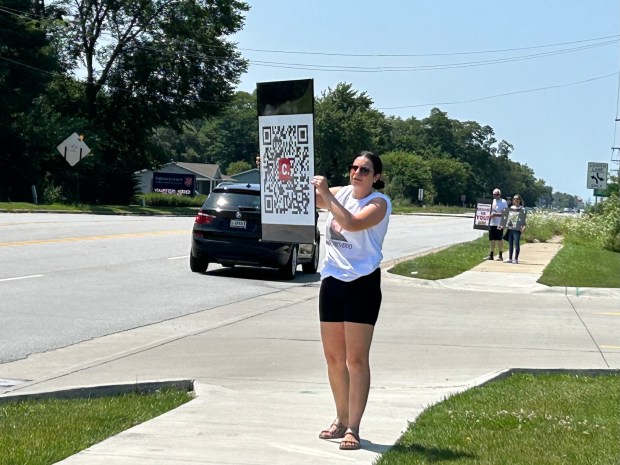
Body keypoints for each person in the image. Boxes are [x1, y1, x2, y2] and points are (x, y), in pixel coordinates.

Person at [311, 151, 391, 451]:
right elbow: (300, 194)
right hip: (332, 281)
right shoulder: (339, 193)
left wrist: (327, 198)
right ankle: (340, 418)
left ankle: (354, 428)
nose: (357, 172)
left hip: (362, 283)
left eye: (365, 169)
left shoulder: (379, 204)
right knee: (333, 358)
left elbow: (353, 223)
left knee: (355, 360)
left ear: (376, 177)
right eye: (354, 167)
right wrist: (273, 169)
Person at [485, 188, 508, 261]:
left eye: (497, 194)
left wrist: (495, 214)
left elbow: (505, 213)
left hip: (499, 223)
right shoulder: (492, 201)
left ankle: (500, 256)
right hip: (492, 223)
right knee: (492, 239)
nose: (495, 196)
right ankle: (491, 255)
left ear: (500, 194)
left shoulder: (503, 202)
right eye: (494, 194)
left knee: (499, 239)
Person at [504, 194, 527, 264]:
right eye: (514, 199)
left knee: (516, 243)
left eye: (517, 199)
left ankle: (516, 258)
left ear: (520, 200)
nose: (515, 200)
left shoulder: (522, 209)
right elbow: (508, 217)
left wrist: (523, 227)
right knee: (510, 244)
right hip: (511, 228)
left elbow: (524, 219)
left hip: (517, 229)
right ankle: (510, 258)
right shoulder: (511, 207)